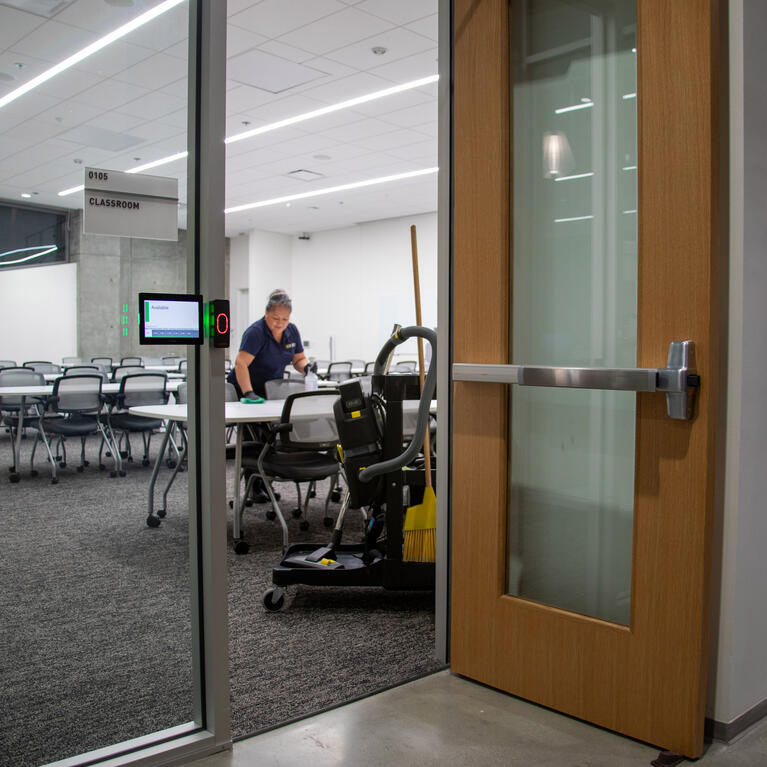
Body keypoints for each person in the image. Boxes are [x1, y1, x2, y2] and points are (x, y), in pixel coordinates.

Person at [227, 288, 316, 399]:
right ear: (266, 313)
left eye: (285, 319)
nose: (280, 323)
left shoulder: (292, 331)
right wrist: (248, 392)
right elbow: (241, 363)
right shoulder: (256, 332)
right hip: (243, 390)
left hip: (271, 390)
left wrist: (307, 368)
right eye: (276, 318)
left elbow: (298, 359)